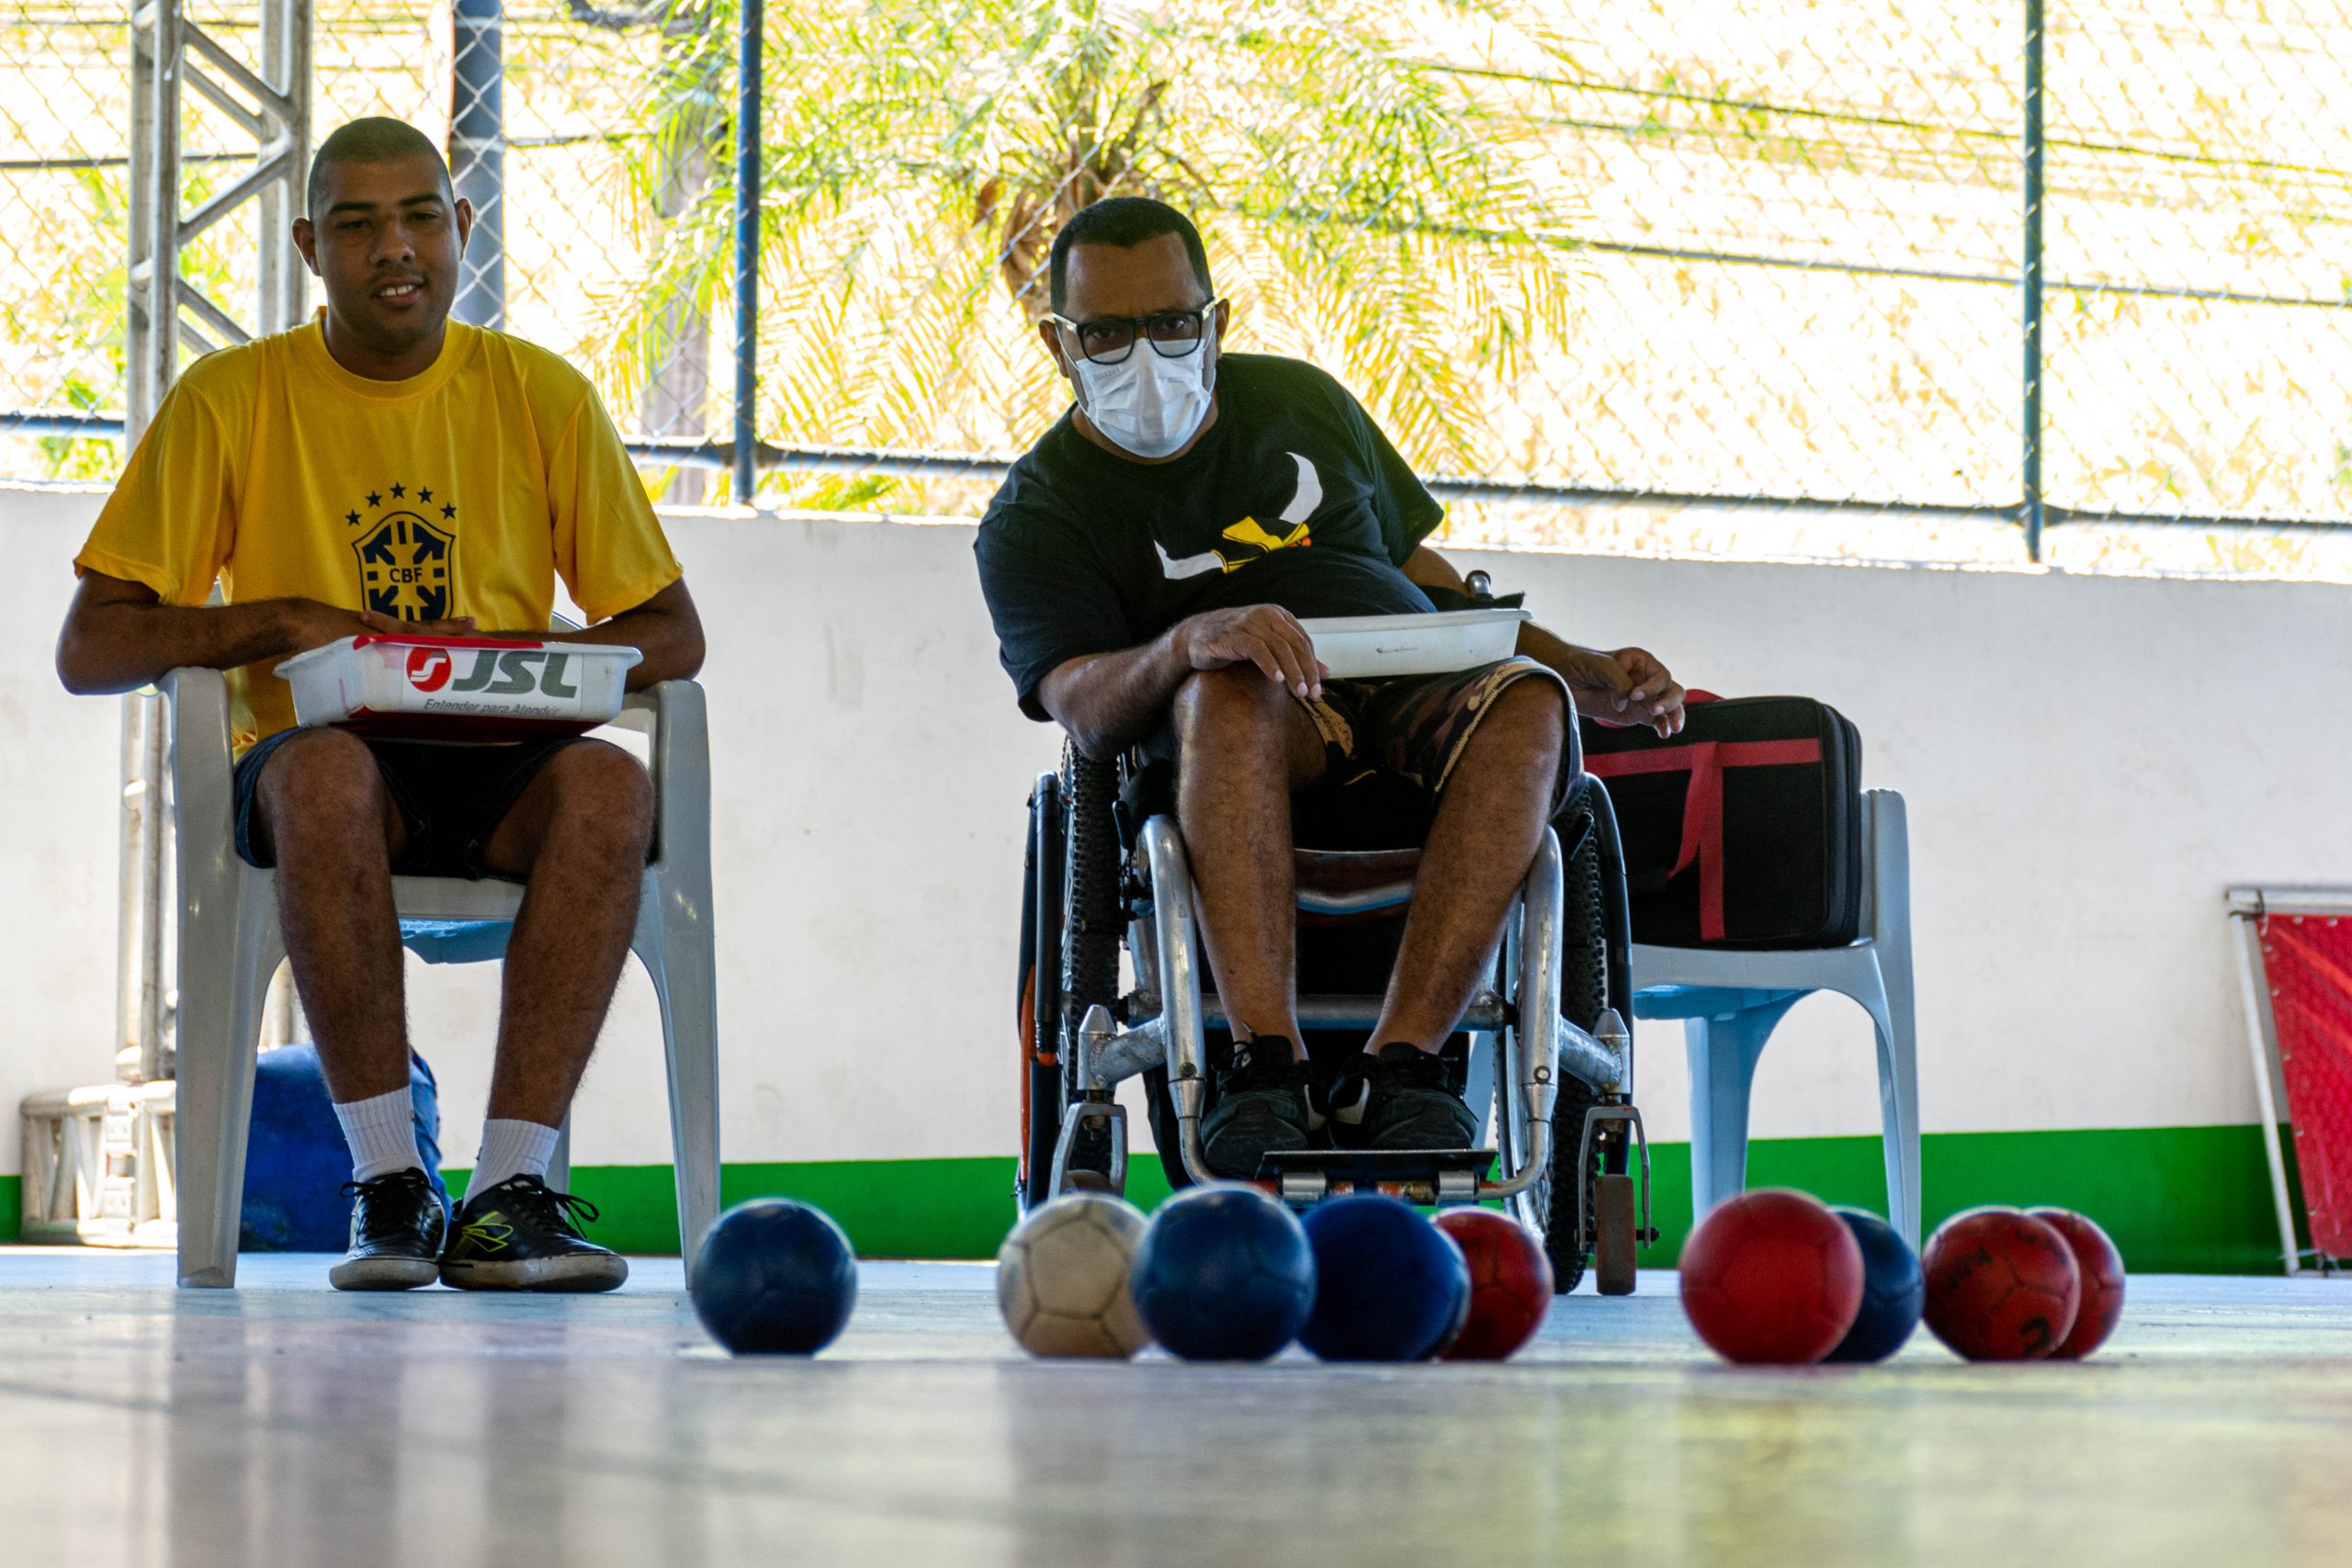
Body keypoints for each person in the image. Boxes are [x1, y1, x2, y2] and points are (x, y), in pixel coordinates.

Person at [54, 118, 706, 1292]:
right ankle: (389, 1186)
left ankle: (512, 1197)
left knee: (612, 783)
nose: (393, 247)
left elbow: (672, 636)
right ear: (309, 246)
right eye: (355, 225)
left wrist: (523, 649)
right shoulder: (230, 399)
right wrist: (282, 622)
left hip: (503, 762)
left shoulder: (541, 394)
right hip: (321, 766)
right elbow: (93, 643)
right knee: (322, 772)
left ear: (461, 230)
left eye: (418, 217)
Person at [975, 196, 1686, 1179]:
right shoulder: (1038, 513)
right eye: (1107, 334)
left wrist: (1580, 665)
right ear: (1059, 347)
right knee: (1228, 686)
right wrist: (1188, 642)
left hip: (1413, 674)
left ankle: (1409, 1069)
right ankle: (1262, 1065)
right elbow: (1082, 706)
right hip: (1251, 719)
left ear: (1217, 322)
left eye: (1173, 324)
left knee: (1528, 703)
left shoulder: (1302, 402)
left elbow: (1425, 574)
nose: (1145, 354)